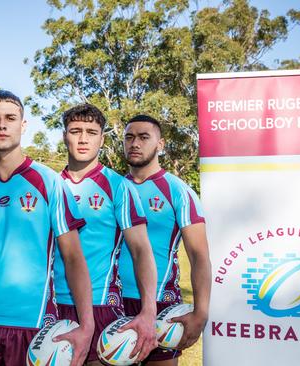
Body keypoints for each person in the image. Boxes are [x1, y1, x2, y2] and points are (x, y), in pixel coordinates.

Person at [0, 91, 94, 366]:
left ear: (23, 125)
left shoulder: (50, 182)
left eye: (10, 118)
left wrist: (86, 325)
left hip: (38, 328)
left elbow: (74, 258)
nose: (1, 125)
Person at [54, 104, 158, 364]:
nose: (82, 138)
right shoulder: (49, 185)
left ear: (102, 138)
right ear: (64, 135)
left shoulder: (119, 187)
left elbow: (141, 251)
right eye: (75, 131)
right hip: (51, 305)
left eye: (91, 132)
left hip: (101, 305)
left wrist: (148, 310)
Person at [119, 114, 211, 365]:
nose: (135, 143)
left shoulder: (178, 190)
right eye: (129, 137)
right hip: (112, 302)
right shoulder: (114, 187)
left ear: (160, 144)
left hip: (161, 304)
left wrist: (200, 312)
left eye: (144, 137)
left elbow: (199, 256)